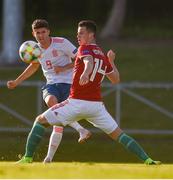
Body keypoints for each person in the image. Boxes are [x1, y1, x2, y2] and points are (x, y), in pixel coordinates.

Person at [17, 20, 161, 165]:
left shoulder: (83, 48)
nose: (78, 36)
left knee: (40, 121)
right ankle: (148, 160)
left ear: (91, 35)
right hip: (97, 107)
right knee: (120, 135)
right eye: (77, 33)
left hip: (76, 103)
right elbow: (115, 79)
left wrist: (85, 73)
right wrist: (111, 61)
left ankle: (27, 158)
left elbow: (88, 60)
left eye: (81, 33)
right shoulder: (103, 55)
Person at [7, 19, 91, 163]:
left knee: (57, 124)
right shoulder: (35, 50)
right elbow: (34, 66)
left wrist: (64, 68)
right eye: (38, 33)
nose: (41, 35)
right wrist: (16, 81)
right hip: (52, 85)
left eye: (43, 32)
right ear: (33, 34)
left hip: (70, 85)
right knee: (52, 101)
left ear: (48, 32)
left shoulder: (61, 42)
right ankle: (80, 129)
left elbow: (80, 58)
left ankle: (48, 159)